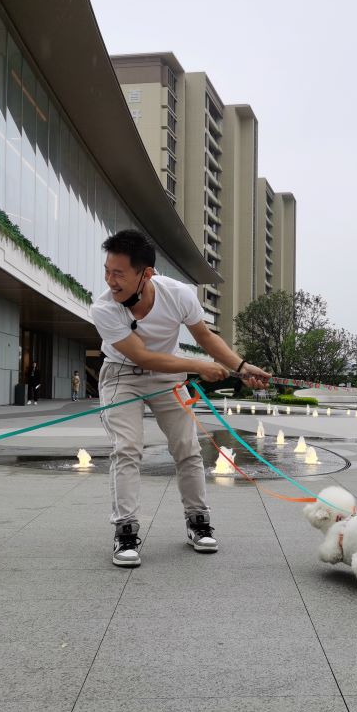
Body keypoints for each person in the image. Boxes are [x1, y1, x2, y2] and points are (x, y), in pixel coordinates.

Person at [89, 229, 270, 567]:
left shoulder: (179, 295)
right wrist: (198, 367)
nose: (110, 280)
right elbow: (142, 357)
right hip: (121, 375)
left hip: (168, 377)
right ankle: (125, 531)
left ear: (146, 274)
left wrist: (242, 366)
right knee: (126, 448)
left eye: (118, 273)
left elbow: (204, 336)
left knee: (187, 447)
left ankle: (198, 521)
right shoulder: (103, 309)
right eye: (107, 271)